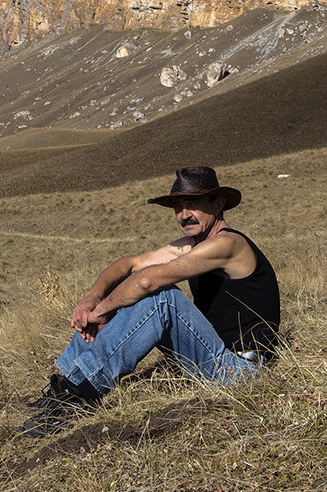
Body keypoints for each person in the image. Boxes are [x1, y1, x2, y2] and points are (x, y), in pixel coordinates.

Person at [20, 166, 280, 437]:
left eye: (192, 204)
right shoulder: (194, 244)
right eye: (178, 207)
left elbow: (147, 281)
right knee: (132, 295)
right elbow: (129, 264)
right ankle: (64, 387)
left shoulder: (228, 244)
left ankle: (80, 395)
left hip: (239, 371)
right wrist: (91, 300)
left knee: (162, 297)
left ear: (218, 204)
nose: (183, 214)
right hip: (214, 356)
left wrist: (103, 311)